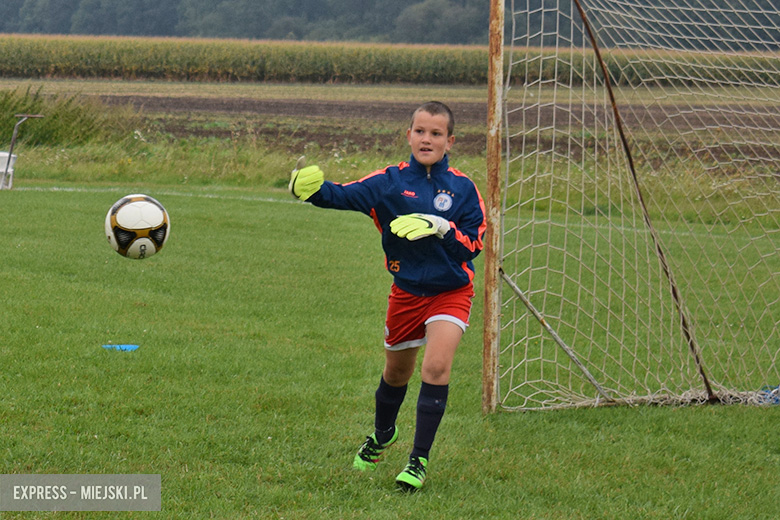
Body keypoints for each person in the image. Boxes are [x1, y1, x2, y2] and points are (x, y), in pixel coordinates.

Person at [288, 101, 485, 491]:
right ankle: (382, 434)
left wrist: (441, 226)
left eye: (436, 133)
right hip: (407, 293)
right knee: (396, 373)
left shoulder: (463, 189)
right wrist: (309, 191)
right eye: (420, 131)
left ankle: (418, 461)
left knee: (435, 369)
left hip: (451, 292)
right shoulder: (389, 182)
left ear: (450, 140)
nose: (426, 139)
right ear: (408, 134)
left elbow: (474, 245)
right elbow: (343, 195)